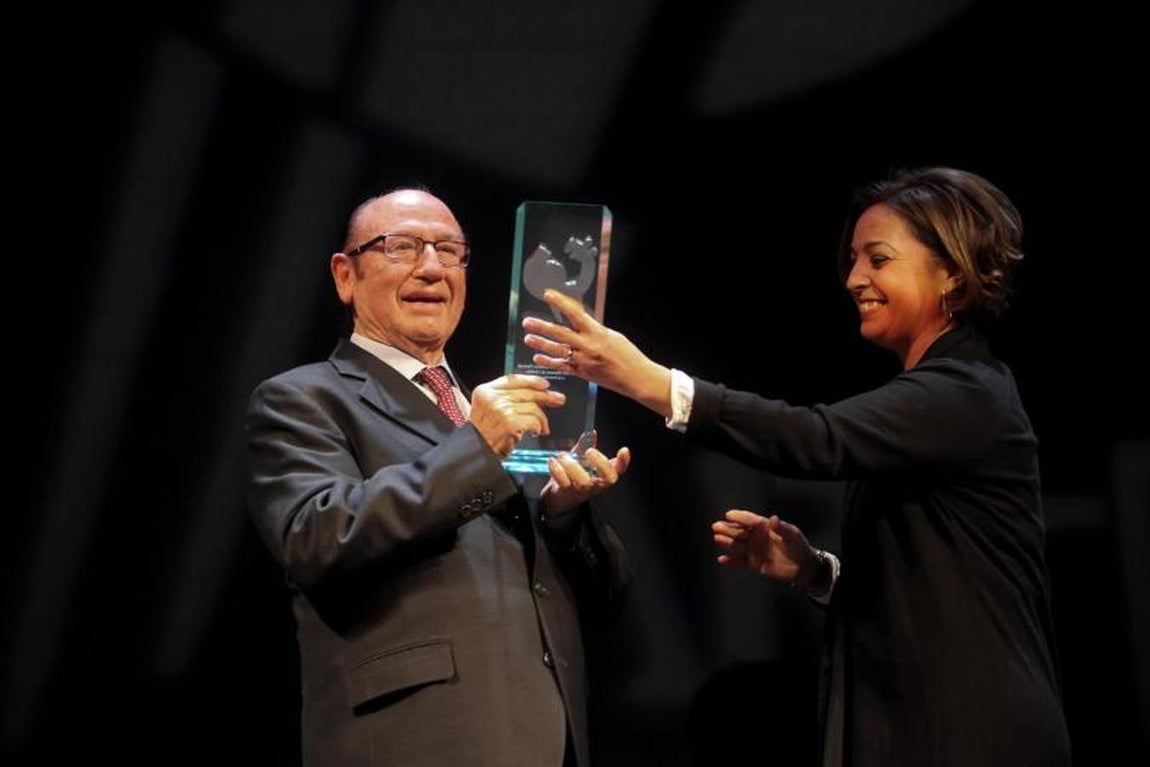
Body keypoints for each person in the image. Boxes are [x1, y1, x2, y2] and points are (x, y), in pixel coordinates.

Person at [522, 166, 1071, 766]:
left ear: (953, 274)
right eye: (854, 260)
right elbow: (934, 586)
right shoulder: (943, 399)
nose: (855, 278)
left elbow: (817, 437)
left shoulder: (966, 391)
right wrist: (817, 573)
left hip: (974, 736)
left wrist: (651, 382)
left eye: (878, 259)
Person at [245, 187, 633, 767]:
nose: (431, 268)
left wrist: (565, 514)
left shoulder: (504, 408)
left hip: (546, 736)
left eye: (450, 251)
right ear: (345, 275)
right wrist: (477, 446)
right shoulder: (302, 399)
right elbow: (319, 538)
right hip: (417, 739)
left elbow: (600, 604)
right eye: (401, 247)